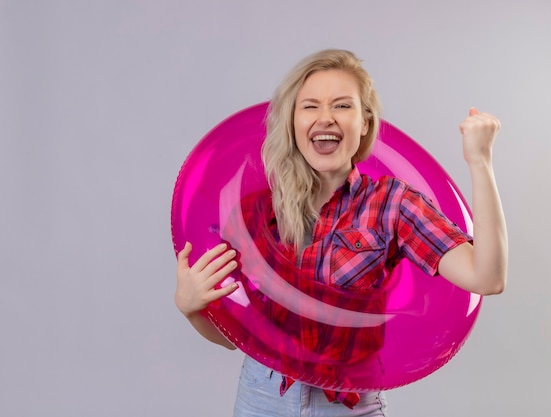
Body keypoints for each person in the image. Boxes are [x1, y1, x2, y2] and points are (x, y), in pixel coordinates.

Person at [174, 49, 507, 416]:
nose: (326, 118)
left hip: (347, 405)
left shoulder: (392, 203)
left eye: (343, 106)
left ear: (365, 123)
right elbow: (235, 339)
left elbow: (486, 277)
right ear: (293, 121)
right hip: (261, 399)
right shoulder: (257, 213)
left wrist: (480, 162)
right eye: (311, 106)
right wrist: (193, 311)